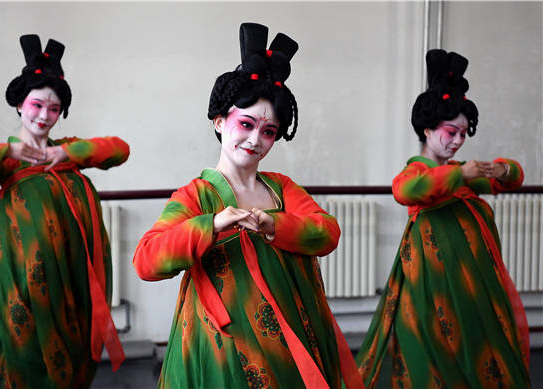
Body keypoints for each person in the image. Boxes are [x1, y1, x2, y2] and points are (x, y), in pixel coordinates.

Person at [133, 23, 364, 389]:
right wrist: (211, 224)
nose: (255, 139)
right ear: (220, 121)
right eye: (246, 124)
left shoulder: (281, 188)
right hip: (221, 348)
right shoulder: (196, 196)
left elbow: (327, 232)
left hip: (288, 342)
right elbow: (146, 260)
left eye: (269, 131)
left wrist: (275, 227)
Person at [0, 34, 128, 388]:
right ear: (19, 105)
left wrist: (69, 155)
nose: (45, 116)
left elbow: (119, 149)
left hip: (69, 279)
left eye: (54, 109)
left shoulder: (67, 150)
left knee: (68, 353)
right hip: (17, 276)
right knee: (14, 349)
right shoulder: (8, 158)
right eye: (37, 105)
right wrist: (5, 154)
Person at [355, 49, 531, 388]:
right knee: (430, 346)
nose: (458, 141)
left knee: (475, 342)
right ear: (427, 128)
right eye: (451, 132)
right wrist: (460, 176)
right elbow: (405, 189)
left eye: (464, 134)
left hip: (469, 282)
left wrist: (504, 168)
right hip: (429, 282)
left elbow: (508, 180)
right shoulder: (422, 171)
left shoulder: (458, 172)